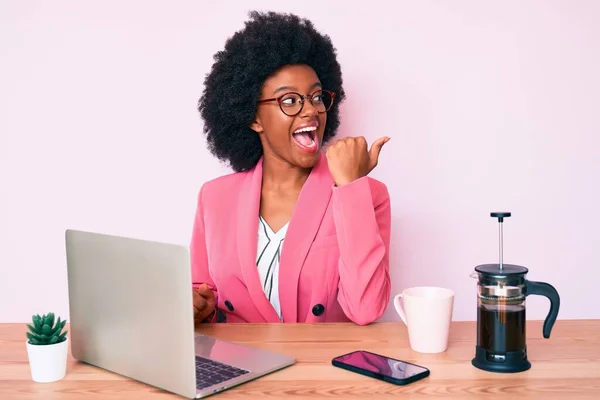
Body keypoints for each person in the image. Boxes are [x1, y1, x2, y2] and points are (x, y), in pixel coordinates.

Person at [191, 10, 391, 326]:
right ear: (253, 117)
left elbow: (365, 310)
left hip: (320, 370)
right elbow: (204, 292)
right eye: (290, 101)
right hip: (239, 368)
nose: (311, 110)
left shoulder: (368, 195)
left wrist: (350, 188)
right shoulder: (214, 197)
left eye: (315, 97)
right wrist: (199, 307)